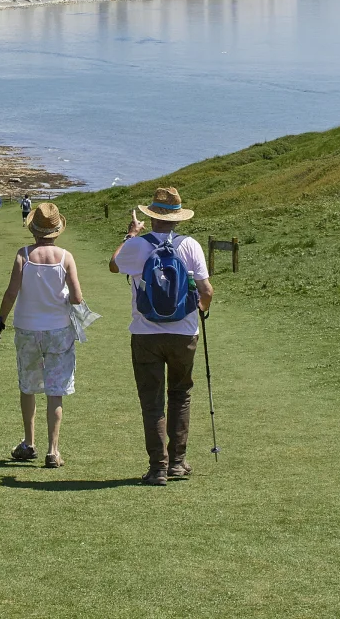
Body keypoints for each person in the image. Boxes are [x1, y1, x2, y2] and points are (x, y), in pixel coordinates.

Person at [110, 186, 213, 486]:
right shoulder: (190, 246)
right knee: (180, 395)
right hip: (184, 333)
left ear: (151, 217)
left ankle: (158, 468)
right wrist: (200, 310)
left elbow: (114, 265)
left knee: (152, 401)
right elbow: (206, 291)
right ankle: (177, 463)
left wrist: (130, 235)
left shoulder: (138, 246)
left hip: (146, 333)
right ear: (178, 219)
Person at [0, 202, 83, 468]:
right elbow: (77, 297)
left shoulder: (24, 255)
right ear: (56, 231)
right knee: (56, 390)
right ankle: (53, 450)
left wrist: (0, 323)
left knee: (28, 386)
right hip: (58, 329)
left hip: (28, 329)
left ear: (34, 230)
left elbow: (11, 293)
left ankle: (29, 442)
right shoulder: (66, 257)